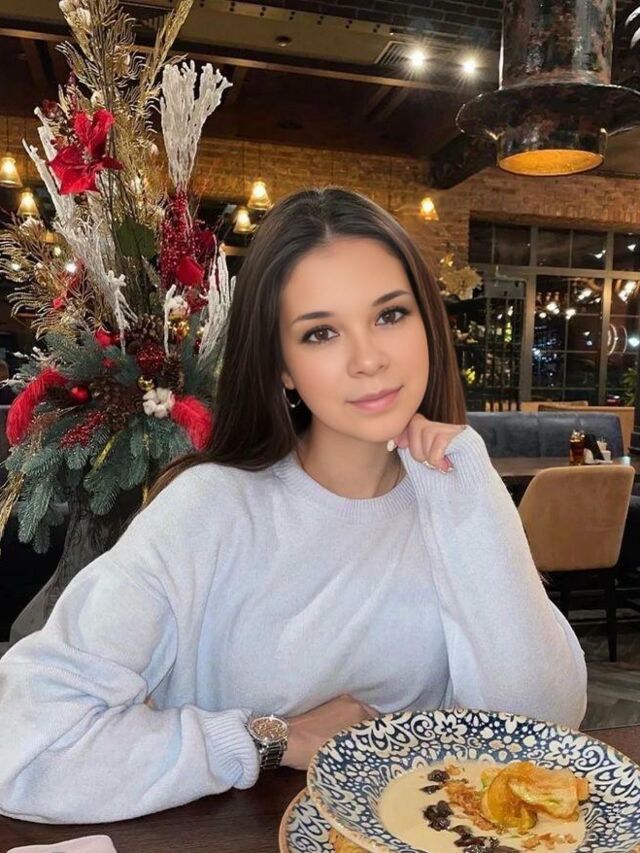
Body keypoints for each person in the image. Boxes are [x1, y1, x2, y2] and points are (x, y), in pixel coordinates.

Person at [0, 188, 587, 824]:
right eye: (321, 333)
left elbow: (544, 731)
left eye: (391, 315)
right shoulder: (210, 509)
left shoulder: (453, 500)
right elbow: (23, 745)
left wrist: (470, 487)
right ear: (282, 366)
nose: (369, 360)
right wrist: (266, 739)